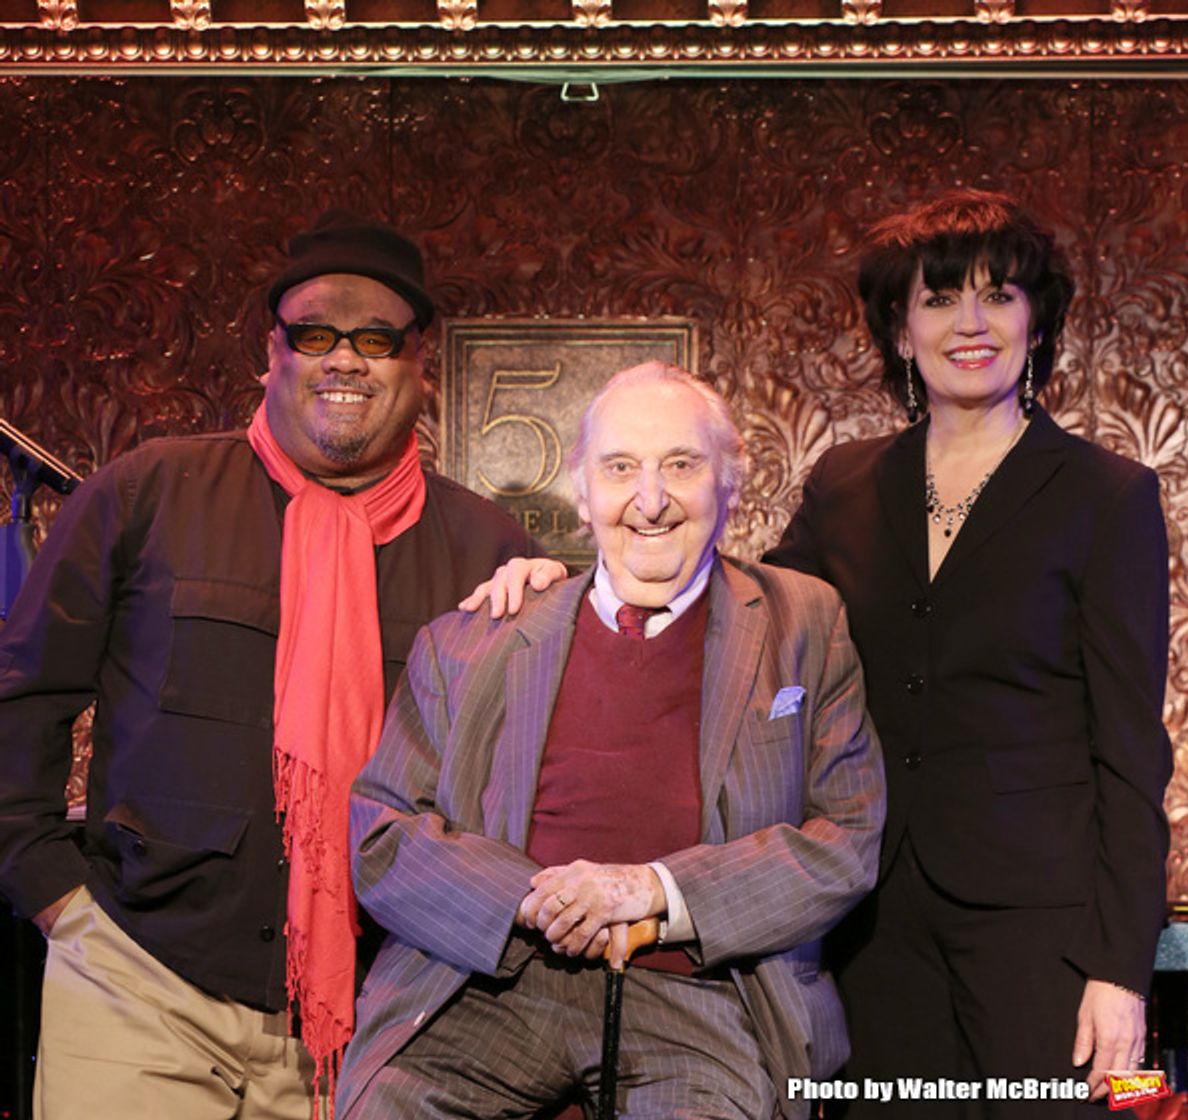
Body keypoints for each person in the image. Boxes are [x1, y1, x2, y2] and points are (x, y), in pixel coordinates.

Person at [0, 210, 562, 1120]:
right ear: (274, 353)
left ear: (420, 365)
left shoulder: (487, 553)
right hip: (137, 985)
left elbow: (535, 775)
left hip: (378, 1015)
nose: (345, 359)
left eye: (376, 337)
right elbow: (21, 696)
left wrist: (562, 608)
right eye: (316, 333)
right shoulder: (145, 493)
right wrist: (51, 894)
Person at [335, 361, 885, 1120]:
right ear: (582, 492)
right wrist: (529, 899)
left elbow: (847, 840)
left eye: (681, 466)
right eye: (620, 468)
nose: (650, 501)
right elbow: (382, 833)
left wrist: (655, 890)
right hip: (491, 989)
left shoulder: (804, 624)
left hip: (701, 1000)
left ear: (730, 482)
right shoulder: (475, 637)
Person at [761, 188, 1173, 1115]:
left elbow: (1130, 749)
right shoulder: (846, 483)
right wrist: (567, 582)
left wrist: (1122, 970)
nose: (971, 322)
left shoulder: (1106, 497)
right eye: (940, 299)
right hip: (877, 916)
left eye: (999, 294)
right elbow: (751, 618)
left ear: (1038, 320)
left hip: (1044, 926)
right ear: (901, 332)